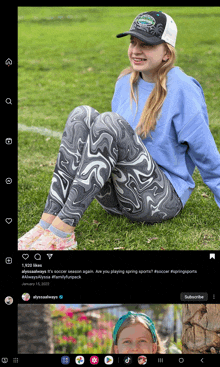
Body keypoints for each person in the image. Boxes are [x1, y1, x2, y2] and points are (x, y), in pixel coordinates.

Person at [18, 11, 220, 250]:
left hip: (160, 200)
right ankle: (46, 223)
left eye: (146, 44)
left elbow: (207, 157)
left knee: (109, 122)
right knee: (81, 115)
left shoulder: (183, 87)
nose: (135, 50)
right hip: (118, 201)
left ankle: (62, 234)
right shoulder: (125, 83)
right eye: (133, 42)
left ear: (167, 52)